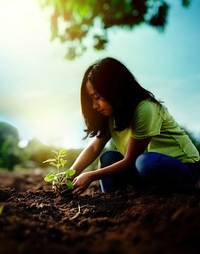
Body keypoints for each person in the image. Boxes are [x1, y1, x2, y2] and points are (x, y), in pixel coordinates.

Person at [70, 57, 200, 196]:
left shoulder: (145, 109)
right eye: (91, 98)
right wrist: (68, 175)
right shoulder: (112, 115)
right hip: (147, 171)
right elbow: (94, 147)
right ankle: (113, 201)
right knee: (108, 158)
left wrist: (91, 175)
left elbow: (130, 160)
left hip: (184, 169)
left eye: (98, 97)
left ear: (115, 90)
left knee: (146, 162)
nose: (94, 105)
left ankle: (192, 189)